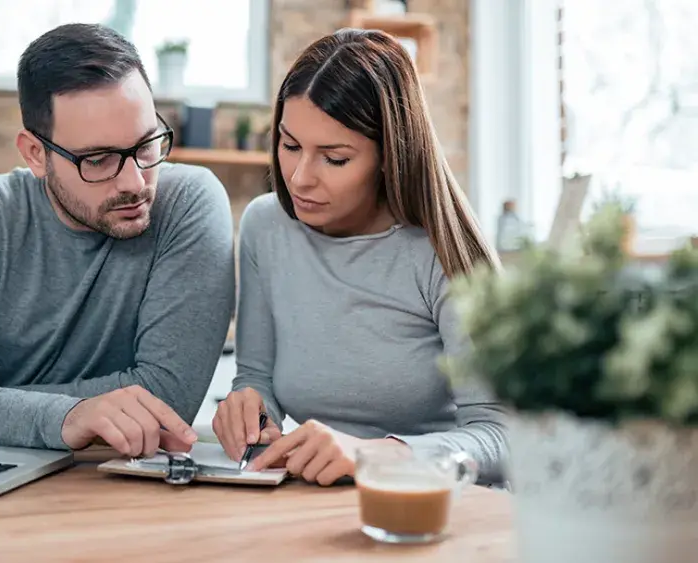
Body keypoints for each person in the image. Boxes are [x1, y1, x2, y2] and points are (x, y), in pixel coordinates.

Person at [0, 23, 236, 460]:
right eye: (98, 160)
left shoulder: (189, 203)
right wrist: (68, 416)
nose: (136, 182)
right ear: (36, 154)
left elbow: (167, 399)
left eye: (147, 145)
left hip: (119, 485)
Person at [211, 29, 508, 487]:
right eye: (290, 147)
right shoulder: (265, 227)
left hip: (435, 508)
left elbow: (502, 436)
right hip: (320, 503)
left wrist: (374, 455)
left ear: (390, 156)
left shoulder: (444, 251)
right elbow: (256, 377)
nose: (299, 178)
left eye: (334, 158)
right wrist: (251, 410)